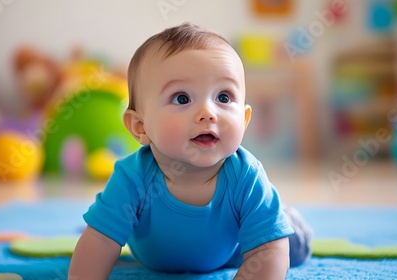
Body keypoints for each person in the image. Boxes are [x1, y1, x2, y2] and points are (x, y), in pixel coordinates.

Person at [69, 22, 312, 280]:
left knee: (288, 246)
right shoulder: (133, 178)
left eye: (224, 97)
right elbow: (100, 241)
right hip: (156, 258)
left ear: (244, 118)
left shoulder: (246, 176)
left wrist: (269, 246)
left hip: (232, 249)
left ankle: (281, 215)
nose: (208, 113)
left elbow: (267, 250)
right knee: (101, 226)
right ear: (140, 127)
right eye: (182, 98)